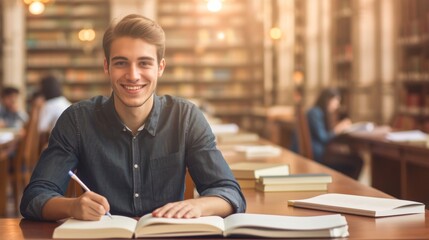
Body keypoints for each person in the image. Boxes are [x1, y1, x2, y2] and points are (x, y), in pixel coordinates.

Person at [20, 14, 246, 221]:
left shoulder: (185, 118)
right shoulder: (77, 121)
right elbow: (34, 197)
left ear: (161, 67)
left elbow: (229, 192)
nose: (133, 75)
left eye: (144, 63)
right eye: (121, 63)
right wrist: (71, 206)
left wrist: (200, 206)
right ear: (107, 67)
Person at [291, 88, 363, 179]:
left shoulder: (317, 112)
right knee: (357, 161)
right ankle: (348, 188)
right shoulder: (315, 112)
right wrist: (338, 129)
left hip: (319, 152)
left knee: (353, 159)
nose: (337, 105)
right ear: (328, 100)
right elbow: (323, 138)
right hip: (318, 155)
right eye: (336, 101)